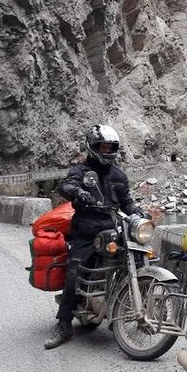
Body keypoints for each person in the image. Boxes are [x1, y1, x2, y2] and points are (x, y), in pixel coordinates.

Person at [44, 123, 163, 349]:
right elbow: (66, 186)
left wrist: (138, 213)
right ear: (93, 146)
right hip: (86, 230)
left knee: (139, 257)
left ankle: (125, 306)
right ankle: (63, 323)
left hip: (113, 228)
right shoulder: (80, 170)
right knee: (75, 270)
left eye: (111, 147)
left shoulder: (118, 175)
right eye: (103, 146)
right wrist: (78, 192)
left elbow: (126, 202)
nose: (107, 151)